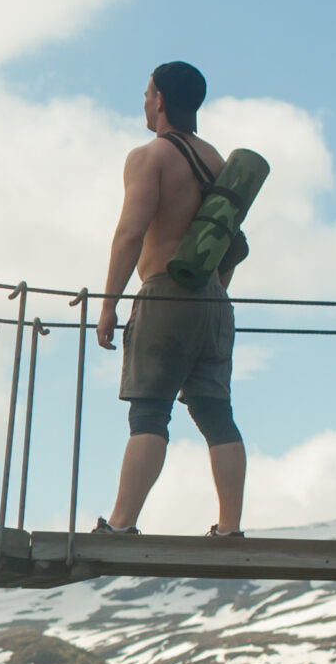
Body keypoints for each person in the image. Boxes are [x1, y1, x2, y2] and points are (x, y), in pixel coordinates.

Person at [93, 60, 244, 537]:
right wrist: (213, 291)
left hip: (164, 293)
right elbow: (235, 246)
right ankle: (230, 529)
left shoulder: (150, 157)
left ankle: (121, 525)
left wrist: (109, 303)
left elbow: (131, 232)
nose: (142, 101)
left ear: (159, 99)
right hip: (215, 300)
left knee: (150, 412)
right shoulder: (219, 162)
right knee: (216, 414)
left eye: (145, 93)